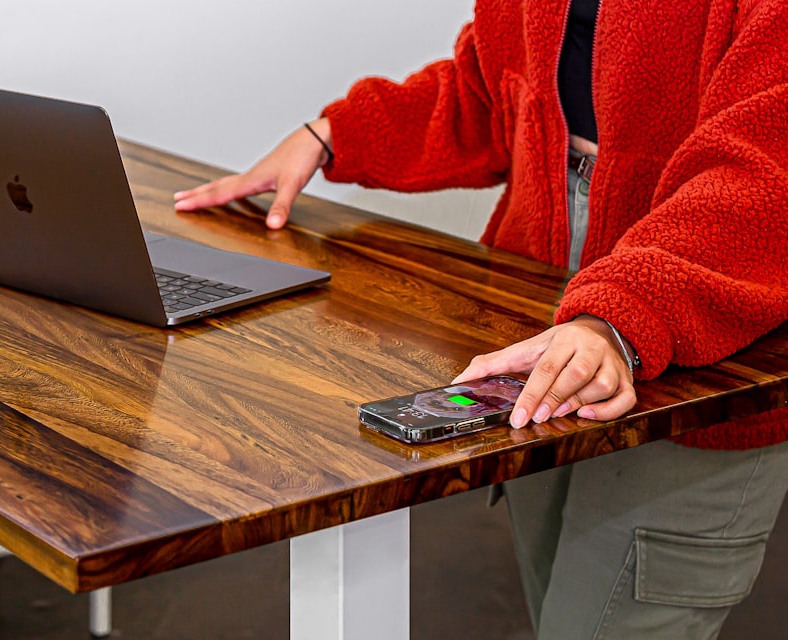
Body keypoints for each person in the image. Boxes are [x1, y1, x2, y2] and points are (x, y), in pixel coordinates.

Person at [174, 1, 788, 638]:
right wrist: (335, 133)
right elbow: (492, 89)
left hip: (705, 346)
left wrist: (618, 315)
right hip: (542, 330)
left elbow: (768, 171)